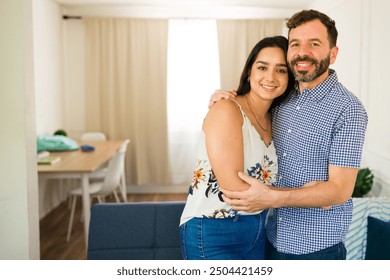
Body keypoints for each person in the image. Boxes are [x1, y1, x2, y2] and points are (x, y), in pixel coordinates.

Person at [209, 9, 368, 260]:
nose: (303, 52)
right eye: (295, 44)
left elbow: (339, 190)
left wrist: (271, 198)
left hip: (317, 248)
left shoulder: (348, 109)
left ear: (333, 53)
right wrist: (223, 99)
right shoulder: (280, 95)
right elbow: (249, 110)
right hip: (269, 237)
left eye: (314, 44)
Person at [179, 36, 295, 260]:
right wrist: (303, 196)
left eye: (281, 70)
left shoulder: (275, 119)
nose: (270, 77)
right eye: (262, 67)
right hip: (213, 231)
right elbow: (235, 190)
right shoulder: (226, 109)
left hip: (257, 229)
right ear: (249, 71)